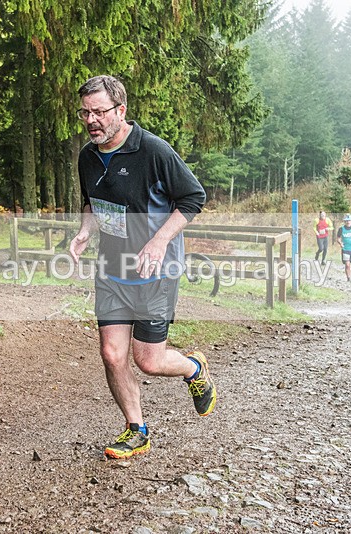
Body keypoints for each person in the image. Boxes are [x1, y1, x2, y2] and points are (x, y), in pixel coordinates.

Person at [68, 75, 215, 460]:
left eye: (99, 112)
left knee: (148, 360)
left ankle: (193, 369)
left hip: (155, 271)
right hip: (112, 270)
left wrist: (159, 240)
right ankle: (137, 430)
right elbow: (91, 202)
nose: (91, 120)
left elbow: (193, 199)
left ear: (121, 110)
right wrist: (84, 231)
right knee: (112, 354)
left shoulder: (154, 151)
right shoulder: (88, 155)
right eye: (85, 112)